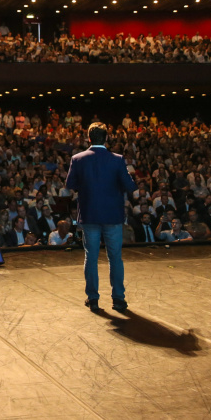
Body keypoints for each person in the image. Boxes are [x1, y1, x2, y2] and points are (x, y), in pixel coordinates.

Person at [65, 122, 137, 312]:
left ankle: (93, 298)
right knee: (115, 257)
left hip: (89, 214)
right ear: (106, 138)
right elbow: (130, 187)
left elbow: (70, 184)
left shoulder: (78, 159)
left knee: (91, 256)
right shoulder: (117, 159)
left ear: (89, 138)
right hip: (112, 214)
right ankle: (118, 299)